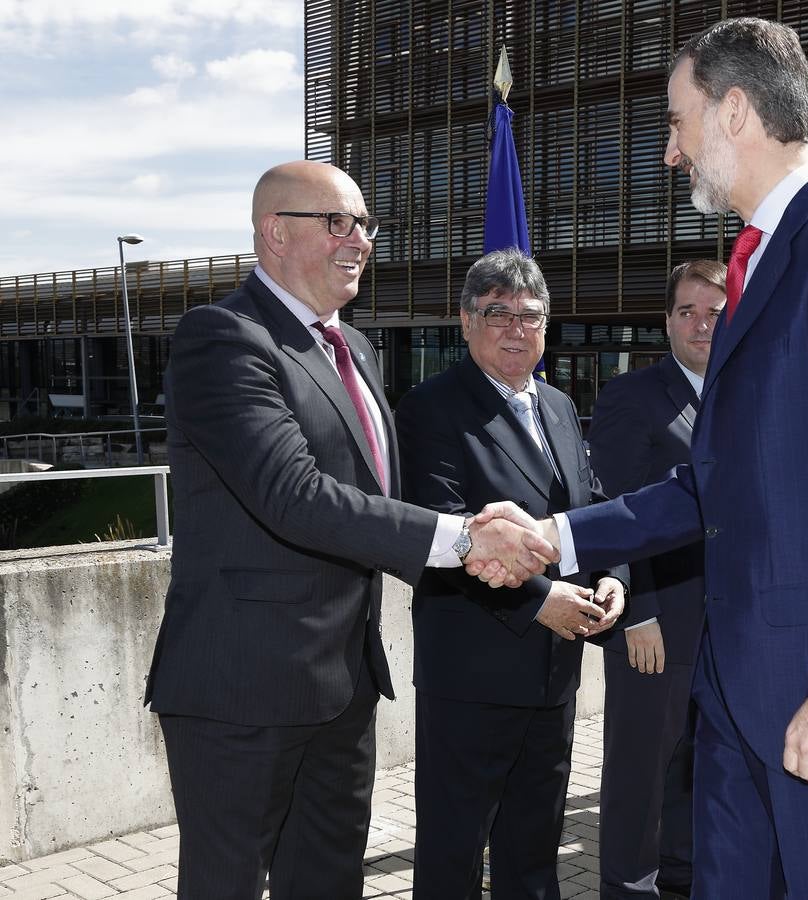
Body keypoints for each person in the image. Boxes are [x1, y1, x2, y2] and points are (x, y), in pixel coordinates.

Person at [480, 18, 808, 898]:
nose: (670, 151)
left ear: (735, 111)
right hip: (736, 699)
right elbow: (715, 489)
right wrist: (554, 535)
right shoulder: (760, 268)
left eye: (676, 120)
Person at [143, 161, 554, 899]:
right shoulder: (222, 338)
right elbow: (295, 496)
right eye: (337, 221)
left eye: (365, 224)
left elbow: (376, 498)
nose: (359, 239)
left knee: (329, 883)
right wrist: (465, 539)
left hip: (344, 686)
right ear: (274, 232)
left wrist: (491, 534)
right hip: (242, 689)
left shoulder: (355, 349)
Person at [396, 250, 627, 899]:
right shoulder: (431, 409)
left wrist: (614, 574)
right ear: (467, 323)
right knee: (455, 852)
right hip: (471, 675)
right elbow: (444, 532)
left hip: (553, 679)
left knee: (534, 851)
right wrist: (541, 600)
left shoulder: (557, 404)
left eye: (530, 316)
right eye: (497, 314)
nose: (515, 329)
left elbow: (590, 503)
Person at [586, 260, 724, 899]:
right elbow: (615, 508)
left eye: (715, 312)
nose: (702, 324)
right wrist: (636, 609)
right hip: (656, 619)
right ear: (667, 321)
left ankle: (682, 873)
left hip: (727, 623)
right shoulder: (632, 397)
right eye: (688, 311)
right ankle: (627, 881)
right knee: (643, 763)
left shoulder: (742, 393)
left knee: (697, 760)